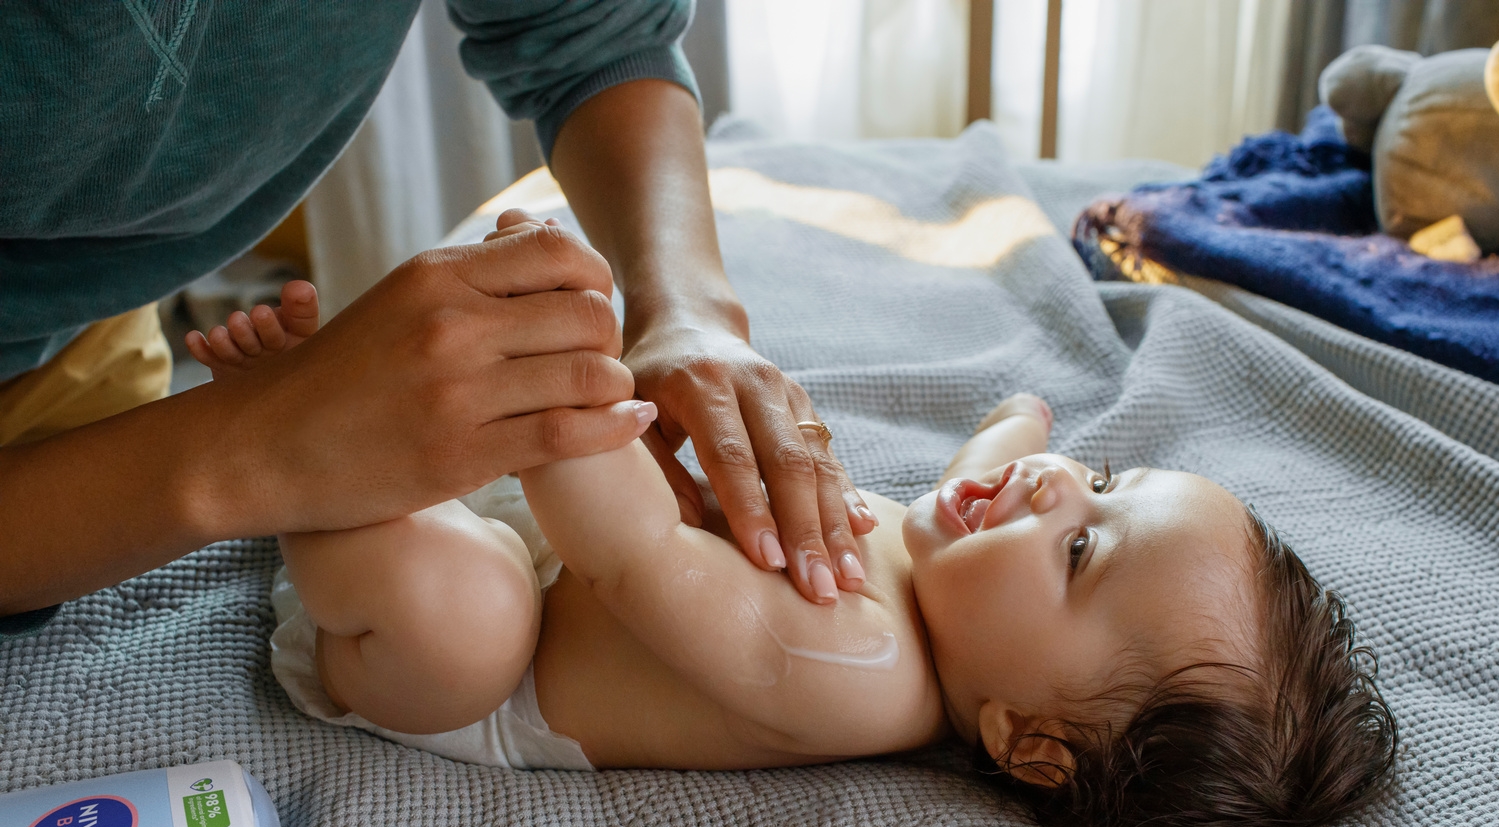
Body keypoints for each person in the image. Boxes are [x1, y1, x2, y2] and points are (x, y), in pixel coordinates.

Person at [200, 233, 1397, 827]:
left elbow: (641, 560)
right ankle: (360, 446)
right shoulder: (957, 575)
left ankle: (320, 480)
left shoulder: (860, 676)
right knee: (485, 551)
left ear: (1028, 741)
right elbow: (994, 469)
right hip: (550, 541)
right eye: (1104, 477)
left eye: (1082, 549)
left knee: (463, 616)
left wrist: (562, 386)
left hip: (494, 666)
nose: (1056, 492)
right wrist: (1017, 423)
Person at [0, 0, 870, 636]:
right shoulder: (885, 678)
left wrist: (688, 308)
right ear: (1012, 732)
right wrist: (246, 448)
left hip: (78, 343)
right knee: (460, 629)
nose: (1013, 485)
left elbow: (595, 41)